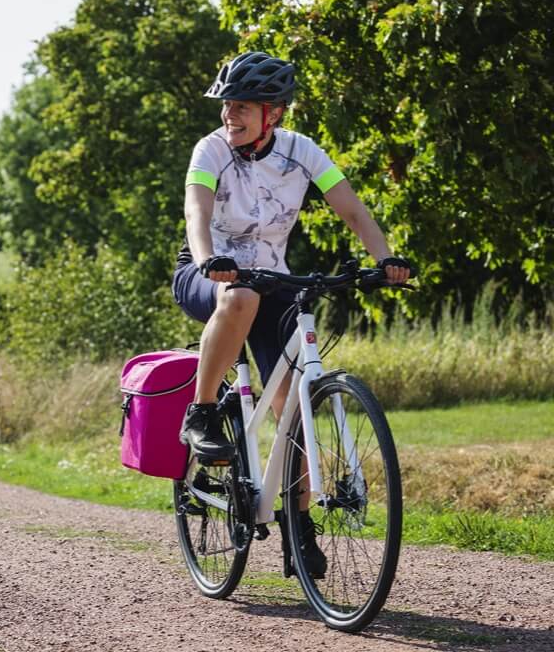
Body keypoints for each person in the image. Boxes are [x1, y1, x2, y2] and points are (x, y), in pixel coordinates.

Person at [172, 51, 412, 577]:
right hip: (207, 274)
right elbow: (198, 210)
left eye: (240, 106)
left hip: (273, 279)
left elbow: (351, 208)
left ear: (273, 113)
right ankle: (204, 411)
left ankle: (298, 531)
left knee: (294, 413)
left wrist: (384, 258)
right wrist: (210, 256)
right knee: (240, 297)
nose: (228, 115)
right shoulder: (210, 150)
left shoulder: (301, 151)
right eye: (226, 105)